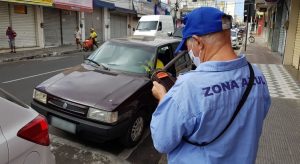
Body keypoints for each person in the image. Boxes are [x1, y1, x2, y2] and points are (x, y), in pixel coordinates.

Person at [150, 7, 271, 164]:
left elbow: (162, 141)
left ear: (198, 43)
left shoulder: (188, 87)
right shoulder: (258, 77)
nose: (188, 52)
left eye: (187, 47)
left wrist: (163, 98)